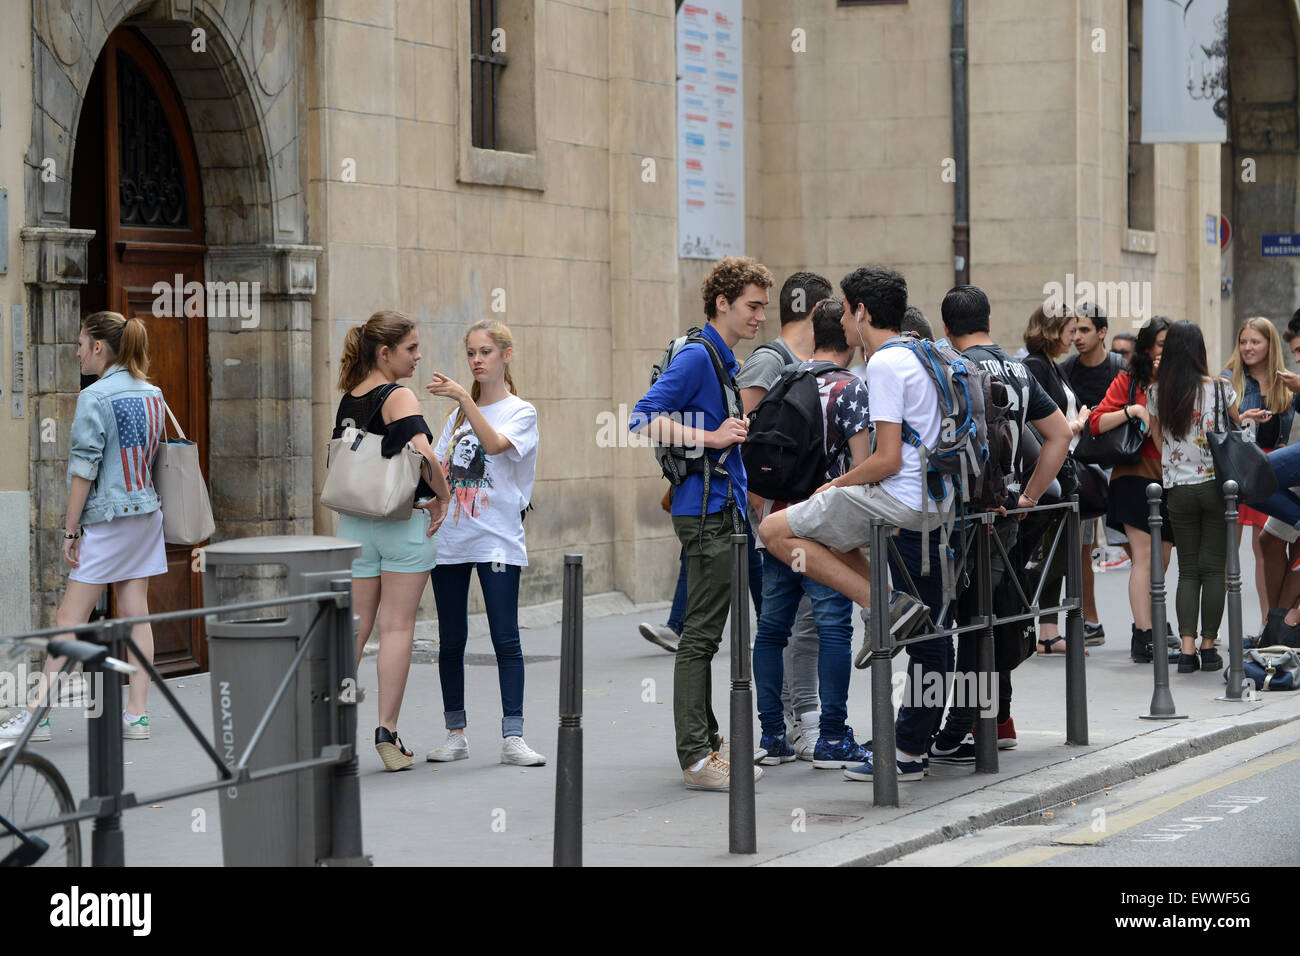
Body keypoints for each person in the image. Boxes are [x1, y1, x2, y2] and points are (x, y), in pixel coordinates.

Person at [760, 266, 954, 781]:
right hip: (935, 504)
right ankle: (887, 603)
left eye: (846, 310)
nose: (842, 319)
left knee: (774, 530)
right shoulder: (921, 351)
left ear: (862, 313)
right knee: (821, 532)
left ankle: (883, 604)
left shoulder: (887, 364)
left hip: (897, 499)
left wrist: (837, 485)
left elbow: (886, 459)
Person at [630, 255, 773, 791]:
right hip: (705, 511)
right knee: (699, 638)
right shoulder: (697, 357)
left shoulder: (721, 357)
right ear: (723, 303)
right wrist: (711, 438)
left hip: (722, 508)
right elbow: (641, 416)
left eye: (763, 306)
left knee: (707, 635)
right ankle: (695, 757)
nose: (761, 316)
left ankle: (711, 744)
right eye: (752, 306)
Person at [1, 312, 166, 743]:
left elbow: (83, 470)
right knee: (136, 614)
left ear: (99, 347)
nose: (76, 351)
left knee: (67, 618)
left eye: (81, 343)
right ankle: (138, 715)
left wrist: (70, 529)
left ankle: (36, 718)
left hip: (108, 521)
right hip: (145, 515)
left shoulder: (95, 397)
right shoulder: (154, 393)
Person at [925, 287, 1071, 765]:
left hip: (957, 515)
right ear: (989, 318)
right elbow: (1060, 434)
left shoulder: (950, 368)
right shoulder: (1019, 369)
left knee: (965, 622)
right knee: (984, 617)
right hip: (1004, 513)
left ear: (946, 328)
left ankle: (961, 729)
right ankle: (984, 722)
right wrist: (1028, 496)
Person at [751, 298, 868, 767]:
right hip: (823, 528)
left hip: (776, 526)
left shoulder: (784, 379)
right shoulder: (849, 389)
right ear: (847, 335)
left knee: (772, 630)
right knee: (832, 626)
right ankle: (832, 737)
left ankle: (773, 736)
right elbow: (862, 469)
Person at [332, 311, 451, 772]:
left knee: (355, 628)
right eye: (412, 349)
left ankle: (328, 726)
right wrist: (442, 498)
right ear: (385, 353)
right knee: (397, 627)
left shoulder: (350, 396)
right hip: (401, 520)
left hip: (355, 526)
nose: (419, 356)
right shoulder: (397, 395)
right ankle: (387, 732)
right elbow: (424, 456)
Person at [423, 319, 544, 767]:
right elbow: (437, 468)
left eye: (485, 352)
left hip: (496, 540)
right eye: (471, 353)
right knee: (450, 639)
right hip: (451, 538)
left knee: (504, 638)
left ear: (505, 356)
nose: (476, 360)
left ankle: (513, 735)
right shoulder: (454, 417)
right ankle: (455, 733)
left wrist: (461, 398)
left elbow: (493, 446)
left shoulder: (521, 411)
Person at [738, 270, 833, 759]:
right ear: (818, 312)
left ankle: (792, 722)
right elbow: (749, 445)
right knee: (789, 623)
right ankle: (789, 724)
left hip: (804, 519)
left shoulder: (803, 363)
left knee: (802, 623)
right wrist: (761, 515)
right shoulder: (769, 362)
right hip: (778, 523)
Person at [1148, 321, 1245, 672]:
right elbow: (1236, 428)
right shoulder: (1220, 388)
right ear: (1200, 350)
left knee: (1187, 570)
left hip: (1178, 488)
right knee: (1213, 569)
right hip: (1217, 486)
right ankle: (1208, 647)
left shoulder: (1158, 391)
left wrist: (1175, 461)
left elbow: (1157, 437)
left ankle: (1186, 651)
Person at [1088, 316, 1177, 663]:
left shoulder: (1179, 382)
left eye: (1171, 345)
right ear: (1147, 348)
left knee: (1162, 559)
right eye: (1159, 344)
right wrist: (1133, 409)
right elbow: (1096, 422)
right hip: (1133, 475)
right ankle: (1146, 633)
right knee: (1146, 557)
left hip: (1169, 477)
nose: (1165, 351)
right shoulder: (1130, 379)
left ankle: (1150, 626)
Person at [1022, 304, 1091, 654]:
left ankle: (1047, 628)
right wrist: (1076, 424)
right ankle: (1041, 626)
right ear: (1053, 328)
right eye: (1070, 329)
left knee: (1061, 550)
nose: (1074, 336)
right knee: (1051, 551)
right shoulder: (1035, 366)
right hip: (1050, 471)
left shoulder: (1050, 365)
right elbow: (1041, 424)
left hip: (1062, 467)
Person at [1224, 317, 1300, 623]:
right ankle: (1273, 624)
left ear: (1270, 346)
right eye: (1244, 342)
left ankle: (1275, 623)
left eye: (1255, 342)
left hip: (1276, 465)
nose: (1248, 348)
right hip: (1246, 464)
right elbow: (1216, 426)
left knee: (1264, 545)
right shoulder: (1230, 380)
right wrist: (1243, 418)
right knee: (1263, 544)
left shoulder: (1286, 382)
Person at [1061, 302, 1127, 642]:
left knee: (1132, 543)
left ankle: (1152, 624)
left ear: (1102, 332)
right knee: (1082, 547)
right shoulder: (1066, 368)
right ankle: (1091, 621)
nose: (1077, 337)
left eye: (1085, 330)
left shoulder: (1120, 367)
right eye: (1073, 330)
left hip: (1120, 463)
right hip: (1084, 466)